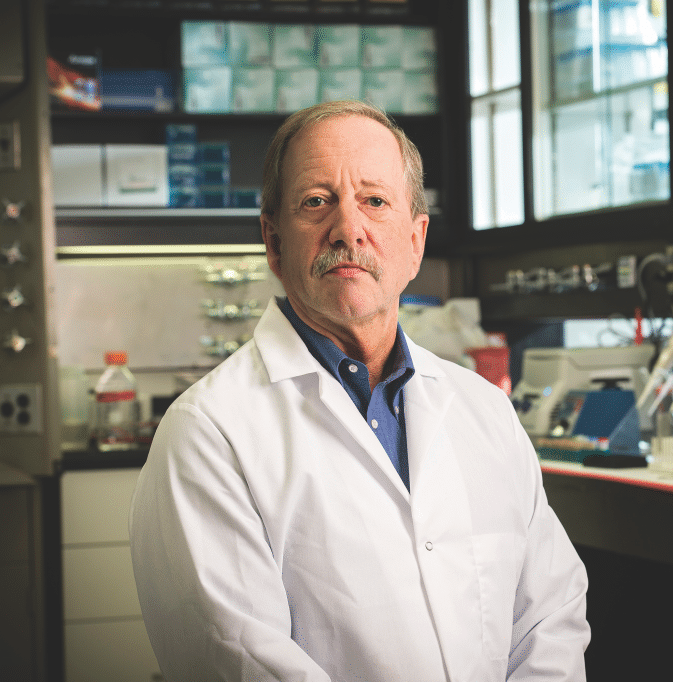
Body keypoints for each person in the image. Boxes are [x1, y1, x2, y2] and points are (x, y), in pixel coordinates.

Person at [128, 99, 590, 682]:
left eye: (375, 201)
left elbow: (550, 619)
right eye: (317, 202)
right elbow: (241, 659)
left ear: (416, 242)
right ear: (273, 242)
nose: (349, 228)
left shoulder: (485, 410)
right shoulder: (208, 435)